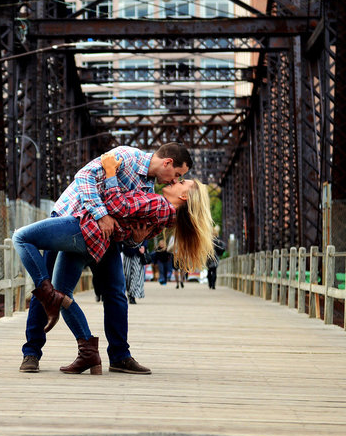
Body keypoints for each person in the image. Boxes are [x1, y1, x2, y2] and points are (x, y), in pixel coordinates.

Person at [13, 152, 215, 375]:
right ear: (167, 162)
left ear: (186, 196)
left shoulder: (153, 195)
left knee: (98, 292)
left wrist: (135, 238)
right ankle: (33, 352)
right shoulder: (126, 157)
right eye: (178, 175)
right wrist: (102, 213)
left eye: (181, 179)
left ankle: (116, 355)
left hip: (90, 231)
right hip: (70, 214)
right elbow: (84, 177)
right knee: (49, 290)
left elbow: (119, 211)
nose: (175, 180)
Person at [206, 225, 227, 289]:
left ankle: (210, 283)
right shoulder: (218, 240)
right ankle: (213, 284)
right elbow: (221, 247)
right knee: (214, 271)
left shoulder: (208, 239)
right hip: (215, 257)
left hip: (209, 257)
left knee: (209, 270)